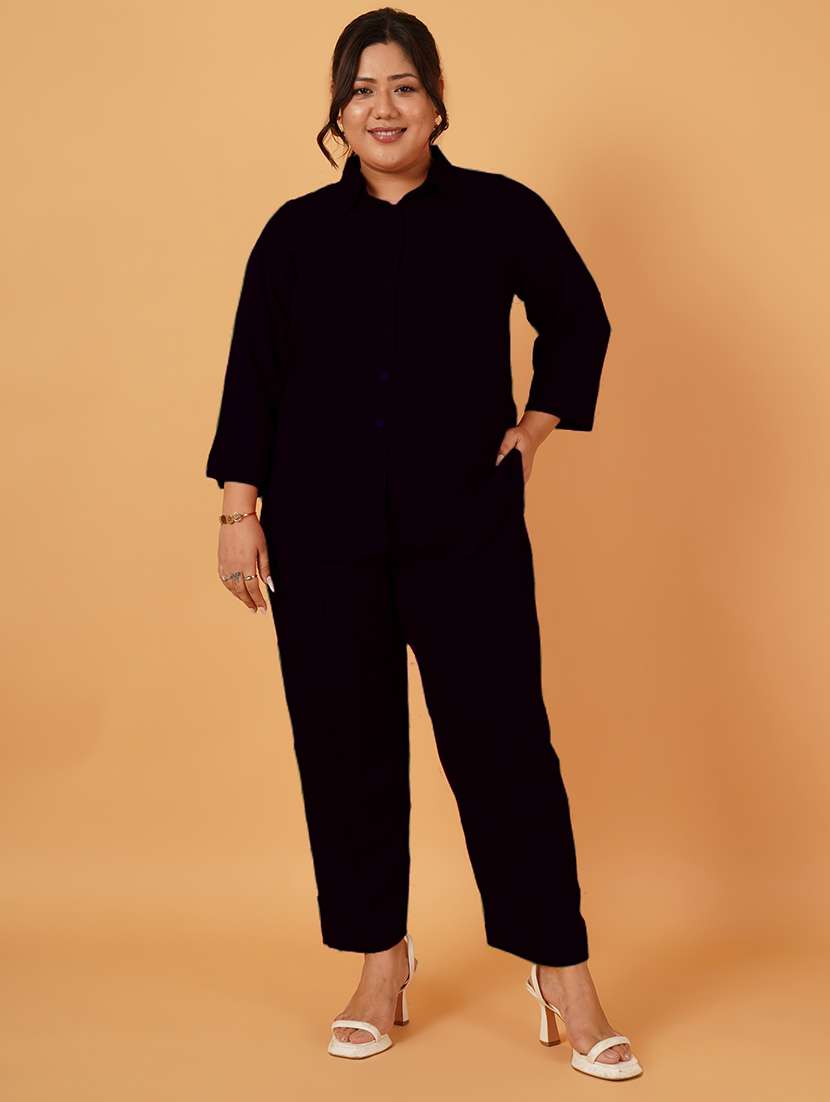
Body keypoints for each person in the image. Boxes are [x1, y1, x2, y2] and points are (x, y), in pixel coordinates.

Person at [205, 7, 642, 1082]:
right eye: (360, 91)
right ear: (337, 111)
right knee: (345, 752)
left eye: (402, 86)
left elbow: (578, 318)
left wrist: (534, 430)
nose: (382, 108)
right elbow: (253, 373)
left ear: (437, 103)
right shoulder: (295, 234)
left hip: (465, 528)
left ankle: (564, 975)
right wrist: (237, 512)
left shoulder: (499, 211)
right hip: (321, 535)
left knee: (506, 752)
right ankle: (379, 966)